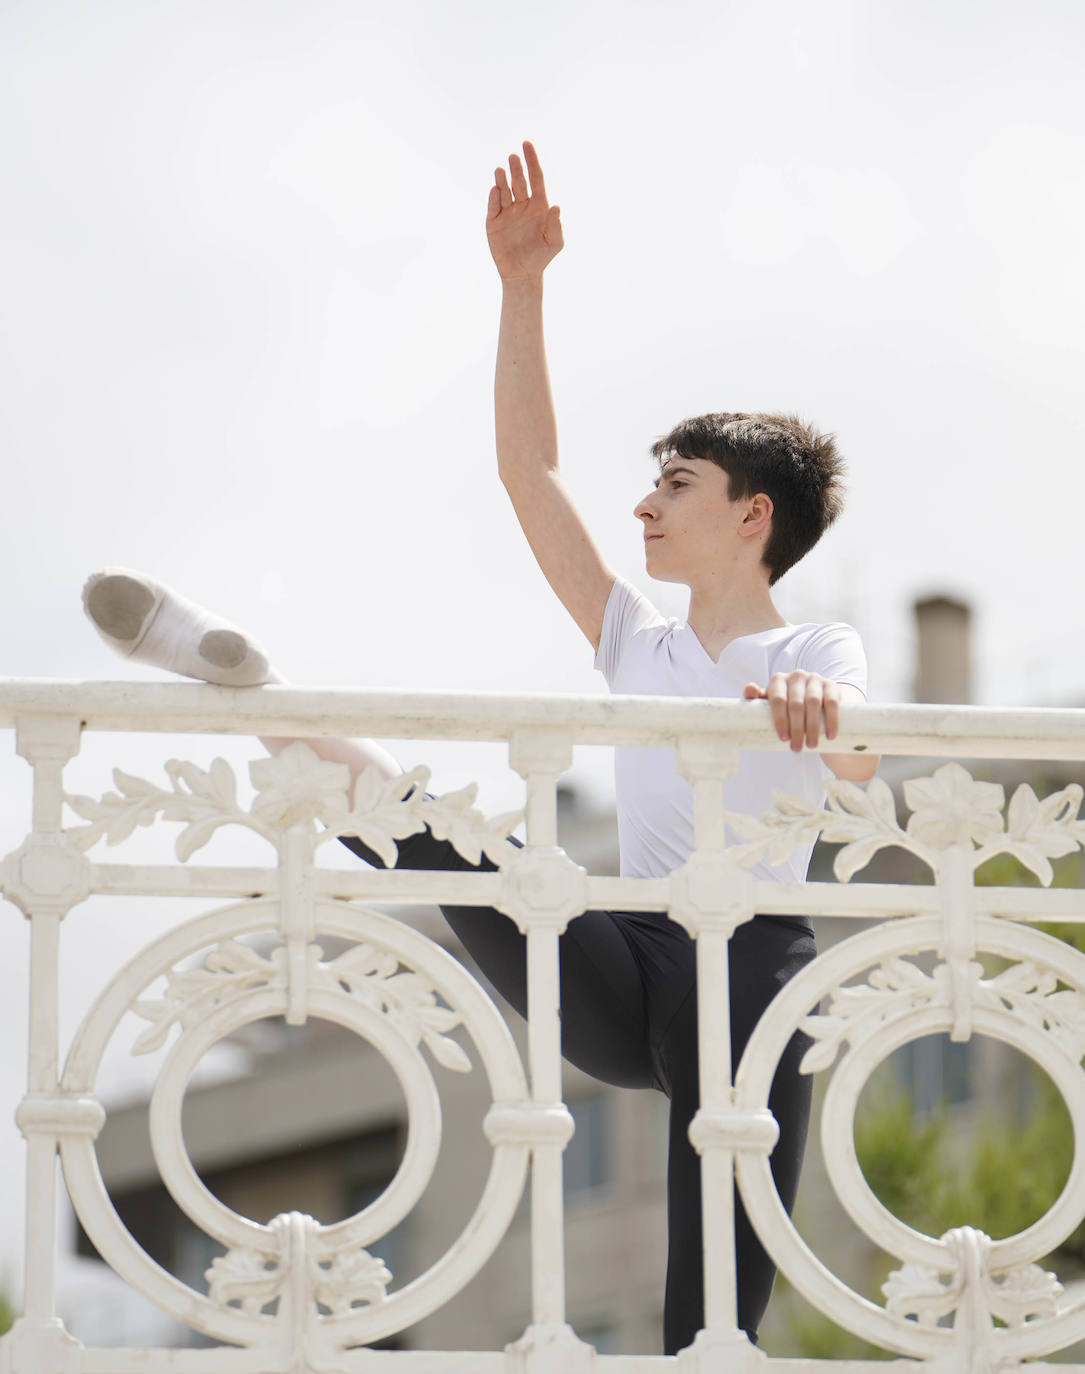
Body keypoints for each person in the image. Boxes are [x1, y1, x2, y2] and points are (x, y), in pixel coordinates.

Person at [82, 141, 877, 1356]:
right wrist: (521, 287)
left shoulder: (817, 644)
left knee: (716, 1282)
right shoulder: (637, 643)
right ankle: (246, 681)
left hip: (751, 973)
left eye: (674, 484)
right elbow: (529, 471)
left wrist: (829, 728)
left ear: (751, 515)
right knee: (453, 842)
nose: (643, 506)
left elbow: (865, 762)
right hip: (618, 951)